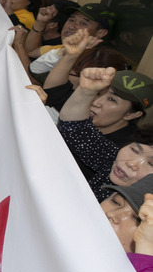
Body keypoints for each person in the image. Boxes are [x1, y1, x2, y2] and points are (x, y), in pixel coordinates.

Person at [58, 67, 153, 201]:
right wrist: (86, 91)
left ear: (132, 114)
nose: (132, 163)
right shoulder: (114, 161)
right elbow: (73, 127)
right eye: (134, 150)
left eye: (151, 164)